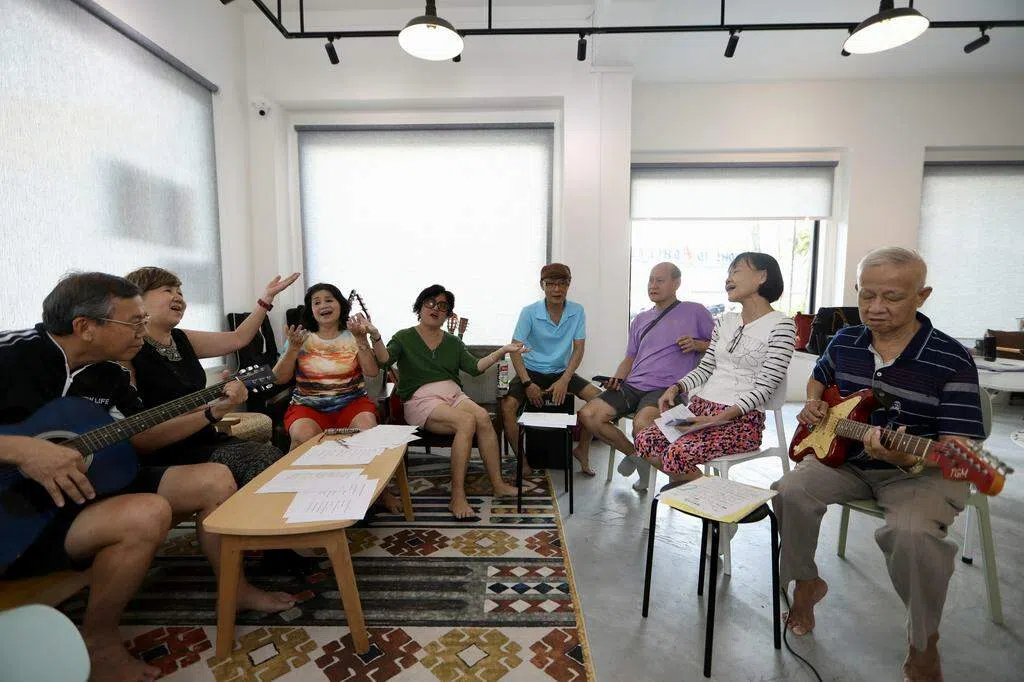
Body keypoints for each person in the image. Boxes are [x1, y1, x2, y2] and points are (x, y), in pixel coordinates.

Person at [772, 247, 985, 682]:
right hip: (845, 460)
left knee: (912, 534)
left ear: (922, 296)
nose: (875, 307)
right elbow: (819, 378)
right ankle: (806, 582)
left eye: (892, 297)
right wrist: (813, 403)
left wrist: (908, 455)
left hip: (922, 471)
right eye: (866, 295)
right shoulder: (844, 340)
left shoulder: (951, 358)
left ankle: (923, 642)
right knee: (789, 491)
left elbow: (958, 447)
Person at [0, 273, 182, 681]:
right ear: (85, 326)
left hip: (53, 516)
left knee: (149, 511)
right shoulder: (10, 354)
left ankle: (99, 641)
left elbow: (138, 434)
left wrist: (209, 410)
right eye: (133, 322)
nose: (143, 331)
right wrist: (22, 450)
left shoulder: (111, 374)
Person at [124, 266, 298, 486]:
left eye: (180, 292)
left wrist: (266, 299)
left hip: (204, 437)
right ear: (138, 300)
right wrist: (212, 410)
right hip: (165, 449)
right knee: (263, 459)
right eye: (167, 290)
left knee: (274, 457)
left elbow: (238, 338)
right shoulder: (127, 348)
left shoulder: (181, 338)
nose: (178, 297)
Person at [632, 253, 796, 483]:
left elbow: (765, 389)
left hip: (739, 421)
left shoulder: (782, 325)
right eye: (728, 273)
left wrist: (716, 419)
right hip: (699, 410)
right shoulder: (726, 321)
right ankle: (704, 493)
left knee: (677, 452)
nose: (728, 278)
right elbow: (706, 367)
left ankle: (707, 498)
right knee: (645, 439)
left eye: (736, 271)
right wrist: (676, 387)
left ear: (762, 276)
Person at [370, 284, 524, 519]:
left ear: (448, 314)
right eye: (430, 303)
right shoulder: (404, 337)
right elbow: (384, 360)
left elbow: (475, 368)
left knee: (483, 418)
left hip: (454, 395)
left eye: (442, 306)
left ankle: (498, 484)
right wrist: (376, 336)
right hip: (421, 399)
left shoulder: (453, 342)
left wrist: (502, 350)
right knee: (465, 422)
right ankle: (457, 496)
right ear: (420, 307)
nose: (435, 309)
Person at [576, 262, 715, 491]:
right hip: (632, 385)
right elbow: (630, 357)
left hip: (667, 389)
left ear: (676, 283)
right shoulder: (640, 319)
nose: (653, 285)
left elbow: (721, 347)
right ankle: (638, 458)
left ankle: (691, 484)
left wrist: (698, 344)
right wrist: (618, 379)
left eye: (660, 280)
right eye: (650, 280)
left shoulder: (695, 311)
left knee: (642, 425)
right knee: (588, 414)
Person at [273, 283, 401, 513]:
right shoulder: (300, 339)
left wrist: (361, 339)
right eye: (317, 302)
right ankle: (300, 495)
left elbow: (372, 372)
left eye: (329, 299)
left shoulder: (352, 336)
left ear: (340, 305)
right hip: (308, 406)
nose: (323, 305)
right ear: (311, 310)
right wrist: (292, 349)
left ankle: (380, 491)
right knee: (302, 436)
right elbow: (279, 379)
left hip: (352, 403)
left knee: (367, 431)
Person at [501, 263, 602, 475]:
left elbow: (579, 349)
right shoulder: (529, 312)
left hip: (561, 372)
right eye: (551, 284)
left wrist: (565, 380)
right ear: (542, 285)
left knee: (599, 400)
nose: (557, 289)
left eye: (562, 283)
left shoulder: (577, 311)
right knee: (508, 407)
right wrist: (527, 383)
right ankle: (523, 461)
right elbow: (515, 350)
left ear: (568, 285)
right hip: (531, 371)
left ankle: (582, 450)